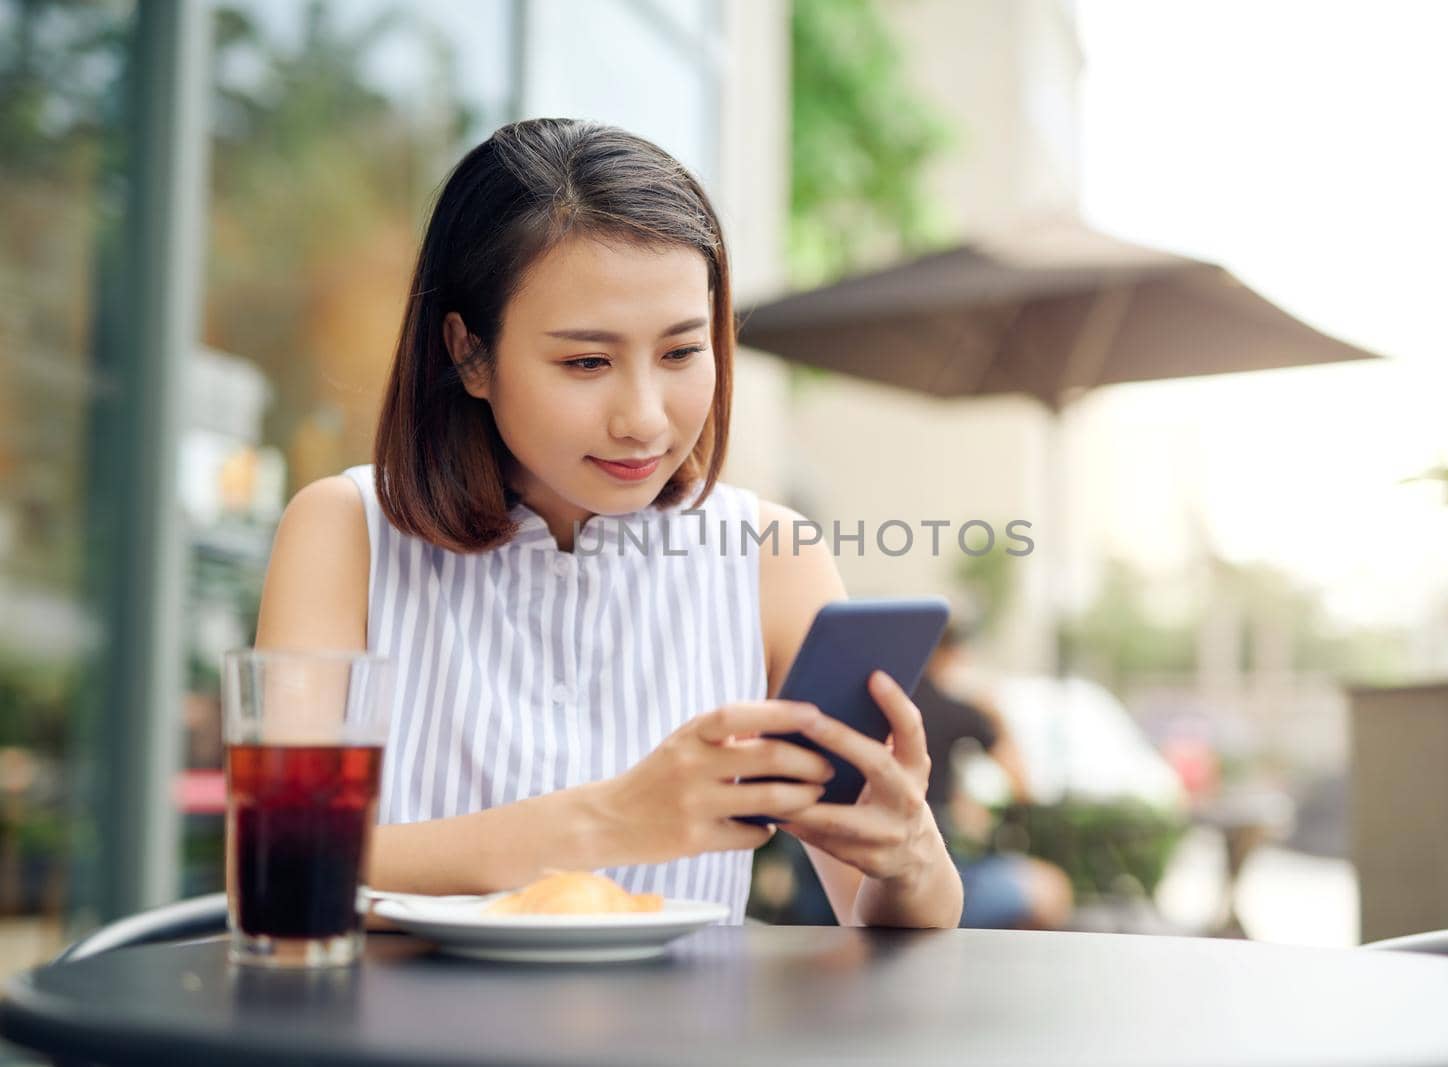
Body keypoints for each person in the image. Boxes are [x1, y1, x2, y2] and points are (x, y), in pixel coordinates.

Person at [253, 118, 961, 928]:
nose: (645, 419)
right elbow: (279, 871)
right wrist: (613, 818)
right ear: (469, 353)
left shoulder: (772, 558)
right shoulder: (347, 534)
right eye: (586, 362)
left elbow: (882, 915)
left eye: (681, 352)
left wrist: (907, 858)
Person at [913, 626, 1073, 930]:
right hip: (926, 881)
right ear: (952, 654)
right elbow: (1023, 785)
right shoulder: (954, 709)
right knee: (1051, 888)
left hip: (831, 889)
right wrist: (995, 716)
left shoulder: (875, 702)